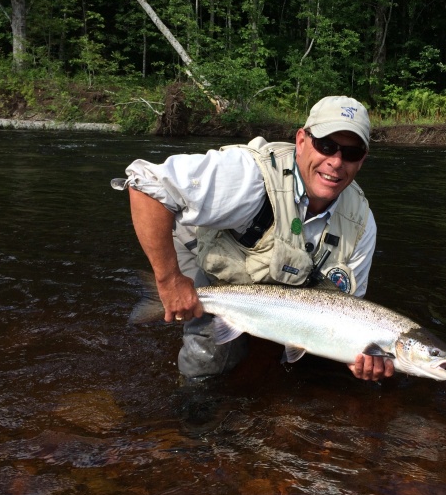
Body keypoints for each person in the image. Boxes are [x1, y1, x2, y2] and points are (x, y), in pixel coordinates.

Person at [114, 95, 393, 382]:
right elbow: (145, 185)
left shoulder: (360, 222)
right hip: (205, 252)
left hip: (275, 287)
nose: (336, 162)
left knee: (309, 368)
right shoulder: (249, 176)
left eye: (351, 153)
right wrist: (169, 280)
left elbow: (347, 311)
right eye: (326, 146)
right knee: (211, 361)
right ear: (301, 141)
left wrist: (353, 353)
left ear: (363, 159)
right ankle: (191, 412)